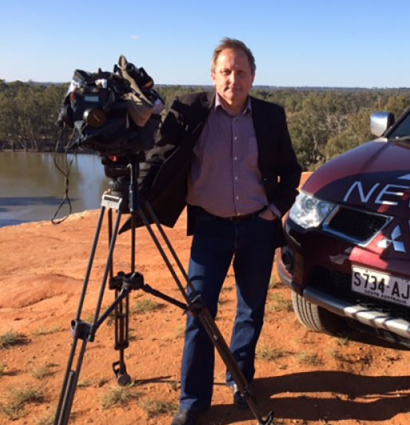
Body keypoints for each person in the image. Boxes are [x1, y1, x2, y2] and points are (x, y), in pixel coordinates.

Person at [138, 38, 301, 425]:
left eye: (241, 72)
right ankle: (193, 402)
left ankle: (240, 380)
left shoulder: (271, 116)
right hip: (209, 228)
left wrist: (272, 211)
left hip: (258, 229)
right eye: (226, 71)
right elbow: (159, 156)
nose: (234, 79)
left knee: (251, 312)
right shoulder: (189, 112)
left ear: (253, 77)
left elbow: (291, 172)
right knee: (199, 313)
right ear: (213, 76)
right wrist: (137, 190)